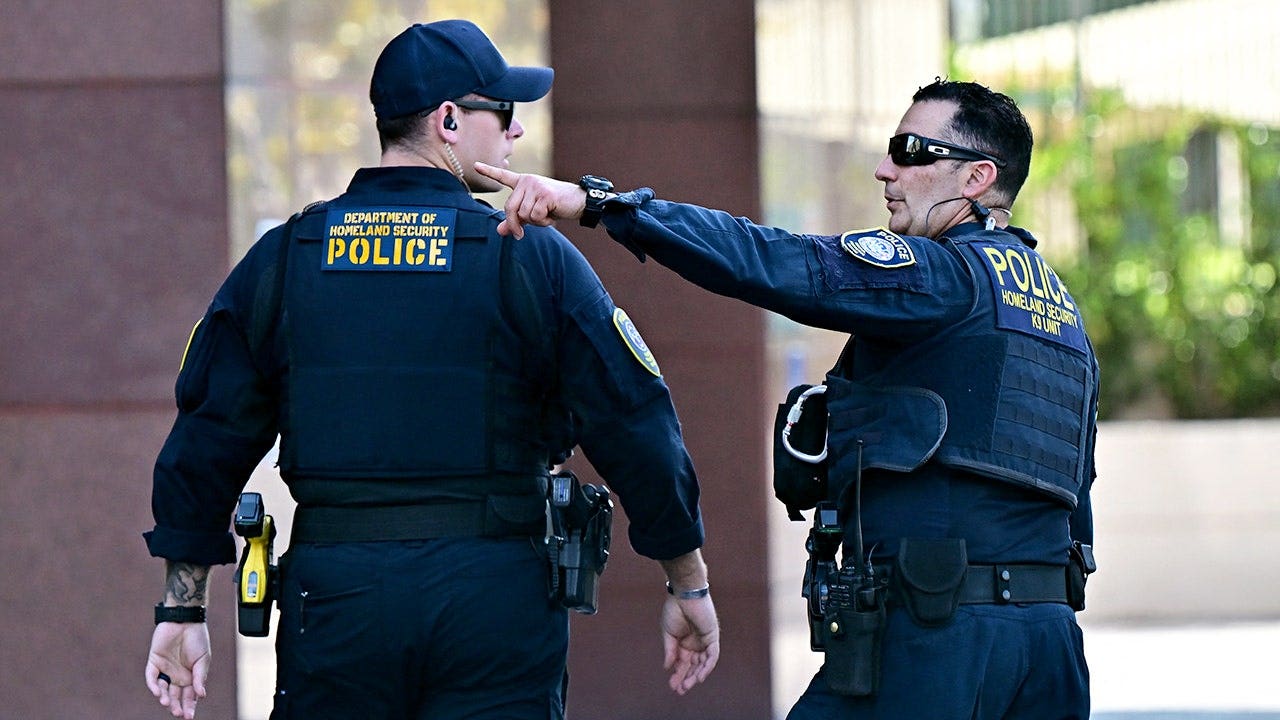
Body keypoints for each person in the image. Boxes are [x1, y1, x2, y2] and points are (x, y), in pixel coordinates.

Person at [142, 19, 718, 720]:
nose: (515, 132)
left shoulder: (286, 258)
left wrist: (182, 607)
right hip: (493, 602)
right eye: (503, 112)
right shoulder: (528, 255)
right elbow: (636, 426)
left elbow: (206, 440)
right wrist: (686, 581)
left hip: (337, 603)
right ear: (449, 120)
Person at [477, 78, 1100, 719]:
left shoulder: (943, 274)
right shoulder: (1062, 317)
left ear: (976, 178)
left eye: (910, 151)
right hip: (1048, 647)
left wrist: (602, 205)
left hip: (937, 635)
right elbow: (1077, 489)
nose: (885, 169)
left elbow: (774, 260)